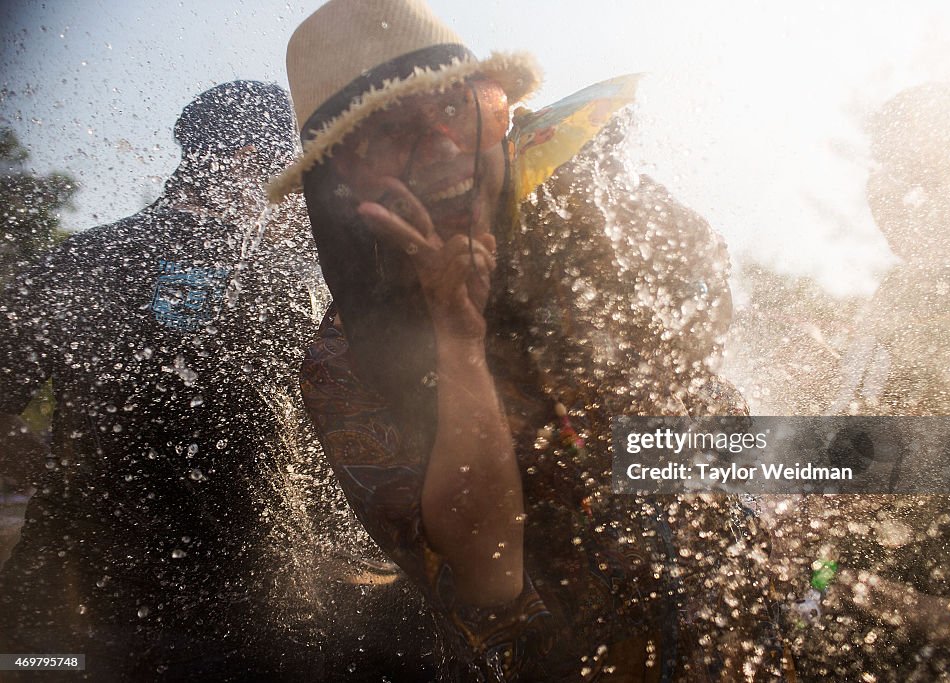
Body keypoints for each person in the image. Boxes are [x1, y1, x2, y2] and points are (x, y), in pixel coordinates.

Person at [270, 1, 778, 680]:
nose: (443, 146)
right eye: (390, 132)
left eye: (457, 106)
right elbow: (489, 575)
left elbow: (706, 399)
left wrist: (785, 496)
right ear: (341, 179)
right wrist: (458, 345)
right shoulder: (343, 364)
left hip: (739, 631)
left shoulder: (599, 215)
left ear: (500, 109)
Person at [0, 80, 437, 681]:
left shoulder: (83, 258)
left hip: (62, 617)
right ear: (247, 163)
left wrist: (66, 472)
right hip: (248, 614)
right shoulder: (299, 281)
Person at [783, 84, 950, 681]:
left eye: (921, 171)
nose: (889, 193)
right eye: (884, 169)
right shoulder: (892, 301)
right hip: (836, 635)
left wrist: (858, 592)